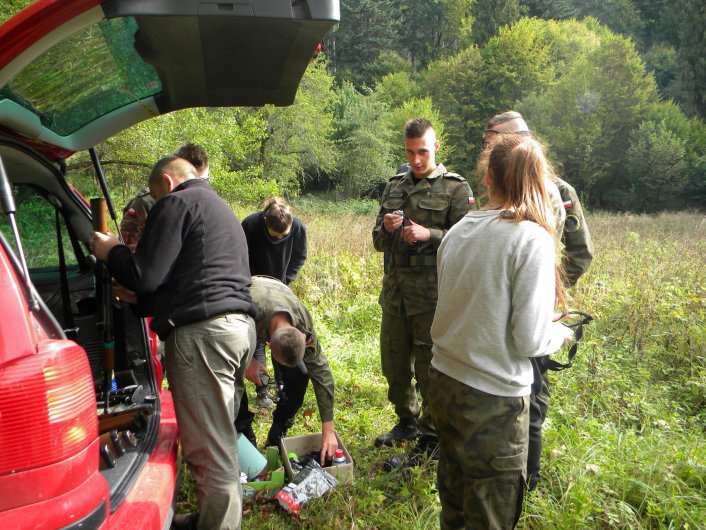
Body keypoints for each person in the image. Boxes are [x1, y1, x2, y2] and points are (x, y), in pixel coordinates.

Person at [91, 156, 254, 530]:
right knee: (221, 437)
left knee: (211, 453)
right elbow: (194, 281)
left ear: (167, 181)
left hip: (204, 339)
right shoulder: (218, 208)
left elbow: (144, 275)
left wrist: (111, 250)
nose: (152, 208)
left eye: (154, 196)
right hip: (238, 331)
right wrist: (142, 302)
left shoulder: (176, 202)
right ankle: (210, 519)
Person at [428, 134, 574, 529]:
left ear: (488, 179)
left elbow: (465, 309)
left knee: (454, 505)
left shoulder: (458, 232)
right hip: (492, 401)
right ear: (539, 182)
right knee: (490, 516)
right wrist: (560, 335)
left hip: (443, 383)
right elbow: (528, 338)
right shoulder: (532, 239)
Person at [484, 111, 595, 490]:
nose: (487, 147)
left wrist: (550, 294)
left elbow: (580, 253)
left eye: (493, 139)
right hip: (500, 306)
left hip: (536, 308)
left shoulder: (559, 192)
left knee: (533, 387)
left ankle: (527, 478)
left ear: (517, 139)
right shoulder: (499, 186)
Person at [372, 118, 475, 463]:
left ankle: (431, 437)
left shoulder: (455, 189)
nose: (416, 160)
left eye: (423, 152)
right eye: (409, 152)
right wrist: (388, 229)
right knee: (394, 362)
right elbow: (376, 241)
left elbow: (467, 244)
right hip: (396, 293)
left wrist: (427, 235)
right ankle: (407, 421)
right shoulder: (394, 186)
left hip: (432, 297)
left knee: (429, 367)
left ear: (436, 147)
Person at [242, 275, 337, 464]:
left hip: (279, 294)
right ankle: (244, 434)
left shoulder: (303, 322)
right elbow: (223, 346)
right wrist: (247, 361)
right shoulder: (248, 314)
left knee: (300, 376)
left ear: (302, 336)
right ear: (267, 345)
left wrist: (329, 428)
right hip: (247, 297)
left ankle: (279, 429)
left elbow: (322, 373)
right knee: (233, 379)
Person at [240, 197, 308, 408]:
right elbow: (240, 256)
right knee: (258, 336)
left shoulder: (297, 227)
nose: (279, 238)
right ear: (265, 222)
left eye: (283, 236)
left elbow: (299, 256)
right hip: (254, 289)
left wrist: (286, 281)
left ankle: (282, 385)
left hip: (281, 289)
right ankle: (263, 388)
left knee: (282, 337)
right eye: (274, 235)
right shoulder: (250, 225)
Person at [119, 142, 210, 251]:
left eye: (203, 180)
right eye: (192, 180)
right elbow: (128, 249)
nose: (197, 187)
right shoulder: (147, 202)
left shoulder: (207, 205)